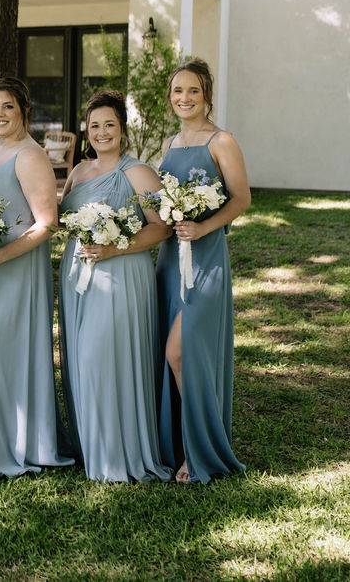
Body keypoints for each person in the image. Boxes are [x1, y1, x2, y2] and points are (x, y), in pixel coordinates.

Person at [58, 90, 172, 483]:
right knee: (80, 359)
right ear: (85, 131)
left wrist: (113, 246)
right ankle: (92, 448)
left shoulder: (138, 172)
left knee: (103, 357)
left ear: (122, 129)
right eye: (94, 126)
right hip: (78, 274)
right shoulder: (78, 172)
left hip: (120, 272)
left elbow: (162, 227)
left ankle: (120, 452)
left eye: (109, 124)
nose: (102, 132)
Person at [0, 78, 73, 477]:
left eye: (7, 106)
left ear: (24, 109)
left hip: (15, 265)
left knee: (4, 348)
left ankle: (20, 443)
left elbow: (48, 223)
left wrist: (2, 255)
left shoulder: (30, 156)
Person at [157, 59, 250, 483]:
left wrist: (203, 226)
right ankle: (180, 447)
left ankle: (202, 452)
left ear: (207, 94)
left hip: (206, 259)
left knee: (181, 351)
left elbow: (241, 198)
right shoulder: (170, 144)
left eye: (193, 91)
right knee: (176, 355)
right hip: (170, 263)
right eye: (178, 91)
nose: (185, 98)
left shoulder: (221, 140)